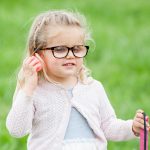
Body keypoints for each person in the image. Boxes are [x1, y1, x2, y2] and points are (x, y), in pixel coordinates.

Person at [6, 10, 150, 150]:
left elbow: (108, 126)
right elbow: (17, 130)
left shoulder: (93, 88)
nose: (71, 55)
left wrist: (132, 127)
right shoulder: (35, 91)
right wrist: (28, 89)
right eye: (60, 49)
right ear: (38, 55)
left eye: (76, 48)